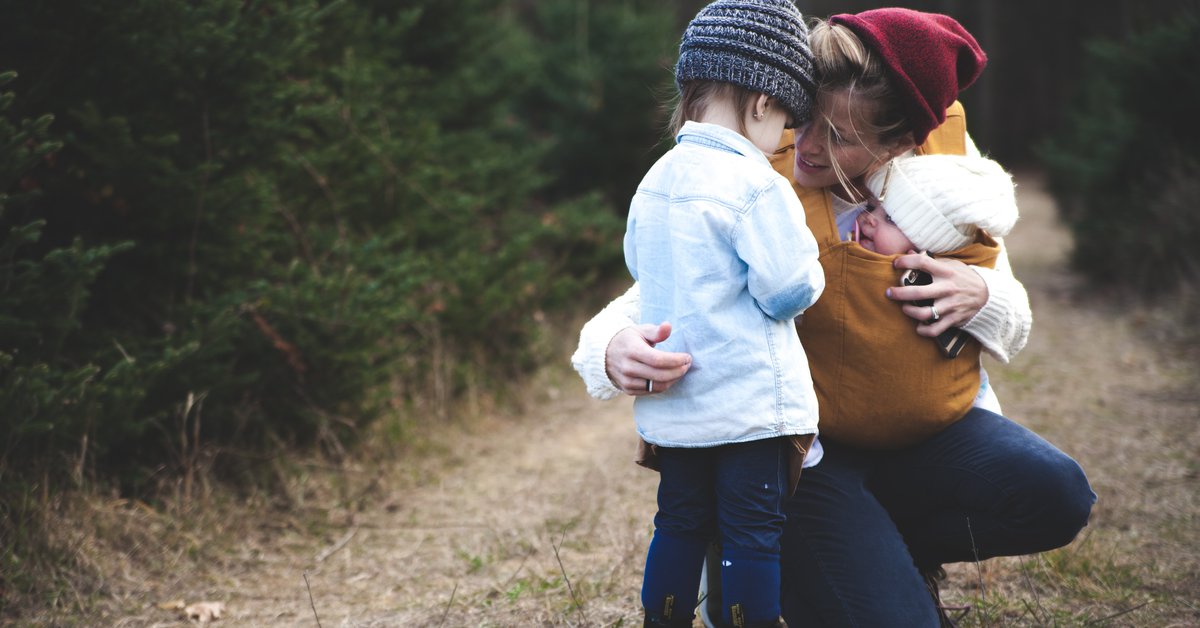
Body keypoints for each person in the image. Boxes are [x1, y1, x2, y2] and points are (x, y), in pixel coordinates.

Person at [571, 7, 1096, 627]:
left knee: (1057, 494)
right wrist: (608, 348)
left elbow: (1013, 310)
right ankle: (802, 554)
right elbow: (666, 282)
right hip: (801, 454)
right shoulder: (754, 161)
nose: (810, 147)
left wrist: (983, 295)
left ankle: (872, 555)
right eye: (806, 119)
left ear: (901, 142)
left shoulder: (944, 174)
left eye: (841, 137)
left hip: (921, 437)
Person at [625, 2, 823, 626]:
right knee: (751, 536)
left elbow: (640, 266)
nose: (784, 139)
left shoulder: (655, 179)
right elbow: (788, 289)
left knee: (679, 523)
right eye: (787, 120)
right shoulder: (755, 183)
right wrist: (812, 270)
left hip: (678, 408)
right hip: (749, 410)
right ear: (763, 101)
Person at [795, 153, 1020, 451]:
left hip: (947, 421)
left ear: (926, 247)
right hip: (836, 426)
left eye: (889, 218)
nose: (867, 220)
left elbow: (1013, 329)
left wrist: (985, 295)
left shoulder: (952, 249)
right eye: (872, 207)